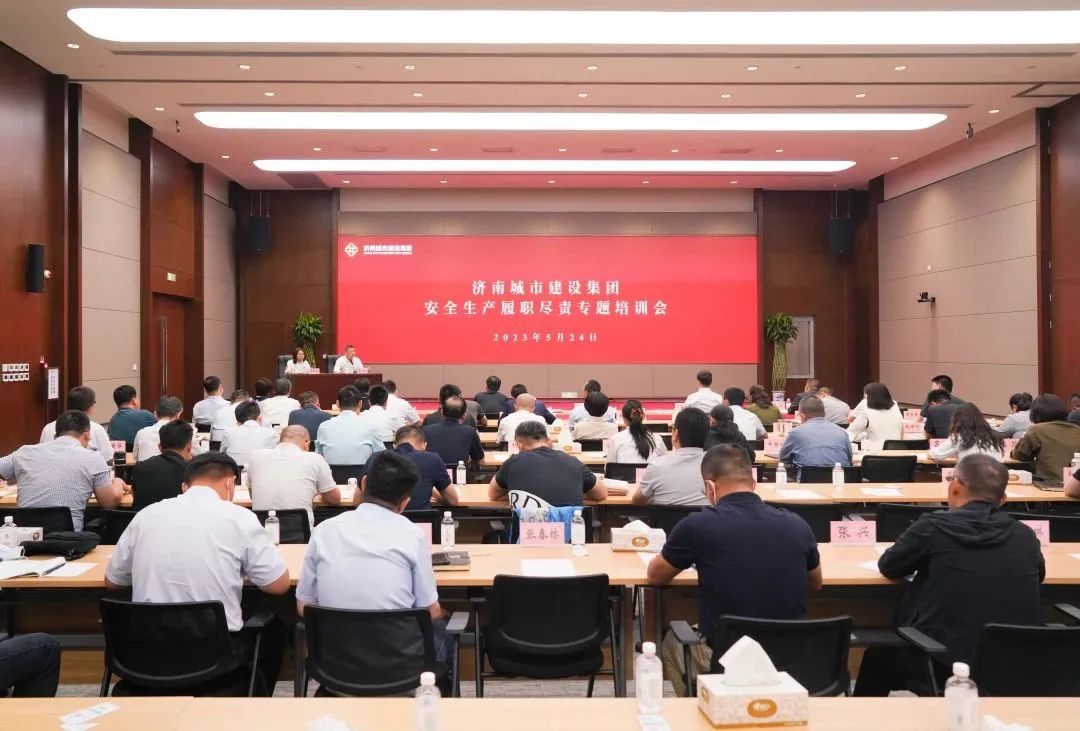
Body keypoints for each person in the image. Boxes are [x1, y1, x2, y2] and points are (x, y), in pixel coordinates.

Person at [854, 454, 1043, 696]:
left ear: (954, 487)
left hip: (942, 662)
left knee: (877, 658)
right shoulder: (1025, 535)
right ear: (1003, 499)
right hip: (1015, 662)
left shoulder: (933, 527)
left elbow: (890, 566)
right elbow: (1038, 576)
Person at [105, 452, 290, 695]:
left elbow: (113, 581)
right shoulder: (239, 518)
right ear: (230, 483)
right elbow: (278, 585)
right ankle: (245, 702)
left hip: (146, 653)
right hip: (213, 658)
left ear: (185, 486)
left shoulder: (146, 516)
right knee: (273, 628)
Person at [648, 445, 821, 696]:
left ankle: (702, 704)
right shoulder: (797, 524)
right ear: (754, 483)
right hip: (789, 659)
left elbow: (655, 576)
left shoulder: (697, 525)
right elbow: (815, 583)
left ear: (710, 487)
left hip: (726, 661)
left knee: (672, 641)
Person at [296, 450, 454, 664]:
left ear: (363, 483)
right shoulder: (413, 534)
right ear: (404, 503)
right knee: (444, 627)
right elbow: (430, 611)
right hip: (398, 665)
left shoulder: (323, 530)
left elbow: (304, 606)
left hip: (334, 664)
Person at [1, 410, 127, 530]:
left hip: (25, 538)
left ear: (55, 436)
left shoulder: (24, 452)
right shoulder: (93, 458)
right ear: (86, 435)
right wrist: (118, 482)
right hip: (67, 540)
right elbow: (109, 502)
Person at [489, 421, 607, 505]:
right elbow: (601, 494)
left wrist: (516, 494)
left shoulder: (512, 463)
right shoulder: (573, 462)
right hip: (569, 531)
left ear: (519, 444)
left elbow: (493, 494)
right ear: (549, 442)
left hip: (527, 531)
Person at [249, 426, 340, 528]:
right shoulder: (315, 459)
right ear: (307, 443)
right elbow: (334, 499)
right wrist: (318, 493)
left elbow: (252, 495)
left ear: (280, 441)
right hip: (301, 534)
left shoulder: (256, 456)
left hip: (263, 532)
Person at [632, 408, 710, 506]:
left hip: (665, 516)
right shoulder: (717, 467)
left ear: (675, 434)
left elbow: (637, 501)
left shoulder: (657, 466)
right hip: (706, 516)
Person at [373, 425, 459, 511]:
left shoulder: (376, 458)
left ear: (394, 446)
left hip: (386, 518)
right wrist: (434, 494)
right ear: (425, 446)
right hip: (422, 519)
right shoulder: (432, 459)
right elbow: (453, 500)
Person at [777, 396, 852, 478]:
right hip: (840, 480)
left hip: (807, 481)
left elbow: (783, 457)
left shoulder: (796, 432)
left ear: (802, 416)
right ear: (824, 414)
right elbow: (849, 458)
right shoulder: (842, 431)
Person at [1011, 393, 1080, 482]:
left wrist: (1013, 451)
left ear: (1036, 413)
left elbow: (1020, 455)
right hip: (1075, 483)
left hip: (1047, 482)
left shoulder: (1036, 430)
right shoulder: (1077, 429)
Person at [131, 420, 193, 511]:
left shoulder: (140, 467)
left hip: (143, 519)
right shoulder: (192, 474)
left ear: (160, 447)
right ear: (189, 447)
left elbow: (135, 495)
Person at [315, 386, 384, 467]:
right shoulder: (371, 427)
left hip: (331, 474)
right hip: (363, 474)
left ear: (337, 404)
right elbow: (382, 457)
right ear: (360, 404)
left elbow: (318, 456)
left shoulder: (323, 427)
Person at [39, 386, 112, 455]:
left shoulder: (48, 428)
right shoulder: (97, 429)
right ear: (90, 408)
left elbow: (41, 453)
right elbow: (108, 458)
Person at [931, 403, 1005, 463]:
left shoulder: (959, 437)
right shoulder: (993, 435)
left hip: (972, 475)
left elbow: (936, 454)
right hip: (997, 475)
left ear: (957, 419)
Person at [423, 397, 485, 467]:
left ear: (442, 412)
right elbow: (479, 459)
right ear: (464, 415)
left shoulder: (426, 430)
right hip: (460, 472)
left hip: (433, 472)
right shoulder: (470, 431)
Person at [606, 400, 667, 464]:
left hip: (625, 471)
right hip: (651, 471)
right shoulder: (657, 439)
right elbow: (666, 465)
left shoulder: (615, 439)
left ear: (624, 419)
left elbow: (609, 468)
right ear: (642, 416)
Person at [846, 382, 903, 451]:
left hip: (875, 453)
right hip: (897, 451)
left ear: (867, 395)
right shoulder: (895, 405)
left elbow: (851, 431)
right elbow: (901, 432)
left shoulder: (865, 405)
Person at [221, 401, 279, 468]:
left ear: (237, 421)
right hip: (259, 472)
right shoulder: (271, 433)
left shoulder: (228, 432)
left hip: (233, 472)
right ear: (260, 418)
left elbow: (222, 454)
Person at [132, 396, 184, 463]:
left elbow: (135, 457)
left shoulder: (141, 433)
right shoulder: (184, 433)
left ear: (155, 414)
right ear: (178, 415)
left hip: (145, 469)